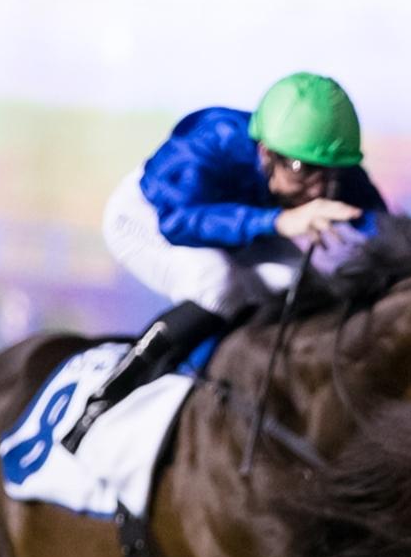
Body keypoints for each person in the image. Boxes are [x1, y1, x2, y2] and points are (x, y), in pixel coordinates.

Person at [65, 71, 387, 450]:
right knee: (216, 281)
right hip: (147, 220)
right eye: (302, 170)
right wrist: (278, 220)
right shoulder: (213, 138)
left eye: (330, 172)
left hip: (234, 233)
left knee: (307, 274)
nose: (317, 187)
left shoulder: (318, 160)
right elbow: (178, 223)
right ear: (266, 152)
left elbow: (383, 229)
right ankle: (109, 398)